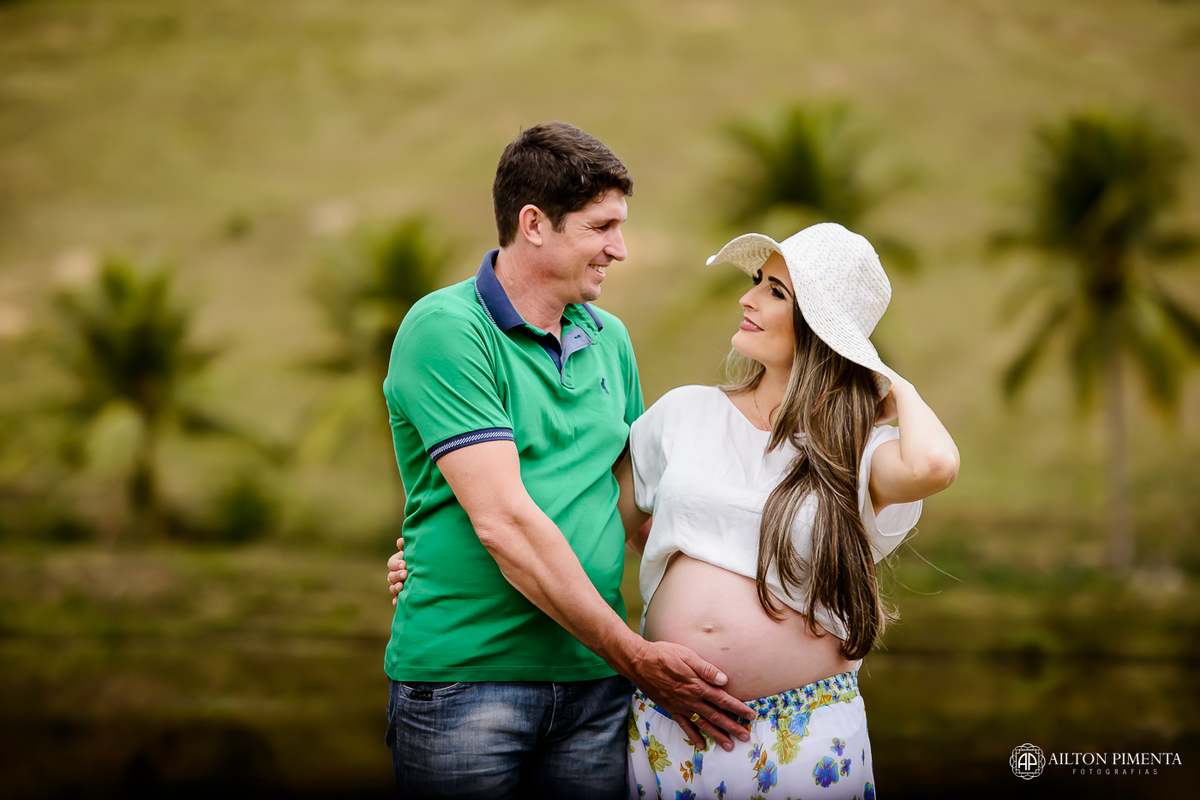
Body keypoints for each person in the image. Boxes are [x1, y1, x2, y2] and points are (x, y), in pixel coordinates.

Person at [381, 121, 754, 800]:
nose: (620, 249)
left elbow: (638, 507)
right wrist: (636, 656)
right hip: (470, 683)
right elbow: (505, 524)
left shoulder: (609, 338)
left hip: (595, 688)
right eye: (601, 227)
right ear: (534, 224)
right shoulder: (448, 331)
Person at [617, 223, 960, 799]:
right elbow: (604, 534)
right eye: (757, 281)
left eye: (775, 291)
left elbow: (934, 464)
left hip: (801, 738)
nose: (747, 298)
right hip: (671, 724)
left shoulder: (857, 451)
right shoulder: (683, 413)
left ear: (821, 329)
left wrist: (892, 385)